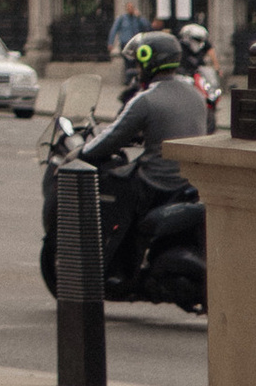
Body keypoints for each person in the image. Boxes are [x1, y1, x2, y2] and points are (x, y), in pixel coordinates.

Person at [82, 26, 209, 282]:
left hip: (157, 182)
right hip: (189, 182)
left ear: (150, 63)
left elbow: (110, 139)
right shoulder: (196, 95)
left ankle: (119, 267)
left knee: (117, 193)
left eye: (139, 64)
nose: (137, 69)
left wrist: (84, 151)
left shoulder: (145, 100)